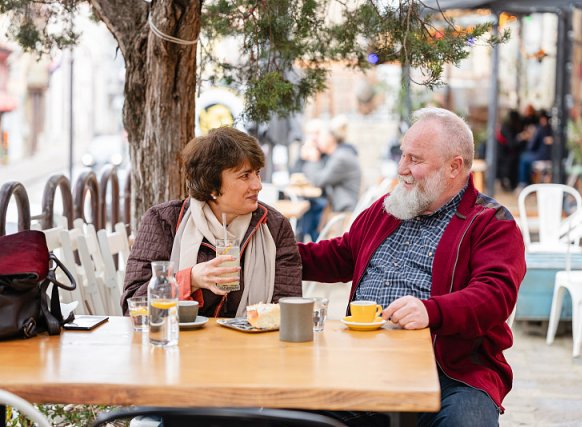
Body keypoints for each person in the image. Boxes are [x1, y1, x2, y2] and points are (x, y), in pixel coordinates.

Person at [298, 107, 526, 426]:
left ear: (454, 167)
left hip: (451, 372)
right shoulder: (386, 210)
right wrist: (274, 250)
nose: (402, 168)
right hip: (365, 361)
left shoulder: (490, 222)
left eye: (415, 160)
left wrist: (432, 311)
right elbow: (338, 257)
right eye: (403, 155)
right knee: (291, 414)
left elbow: (494, 296)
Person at [122, 126, 302, 318]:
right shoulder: (164, 221)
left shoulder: (274, 226)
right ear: (212, 186)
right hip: (182, 344)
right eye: (245, 176)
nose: (257, 185)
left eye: (257, 173)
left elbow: (288, 309)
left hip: (249, 346)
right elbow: (132, 306)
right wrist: (190, 279)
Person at [302, 116, 362, 214]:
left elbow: (318, 181)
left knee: (310, 211)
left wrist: (313, 160)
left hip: (344, 212)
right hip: (338, 207)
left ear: (330, 138)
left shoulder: (340, 158)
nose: (315, 141)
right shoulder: (339, 154)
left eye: (319, 136)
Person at [517, 109, 553, 187]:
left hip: (542, 156)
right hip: (551, 157)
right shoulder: (552, 129)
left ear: (542, 119)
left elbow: (531, 147)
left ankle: (523, 183)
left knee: (523, 158)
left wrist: (529, 138)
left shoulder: (540, 129)